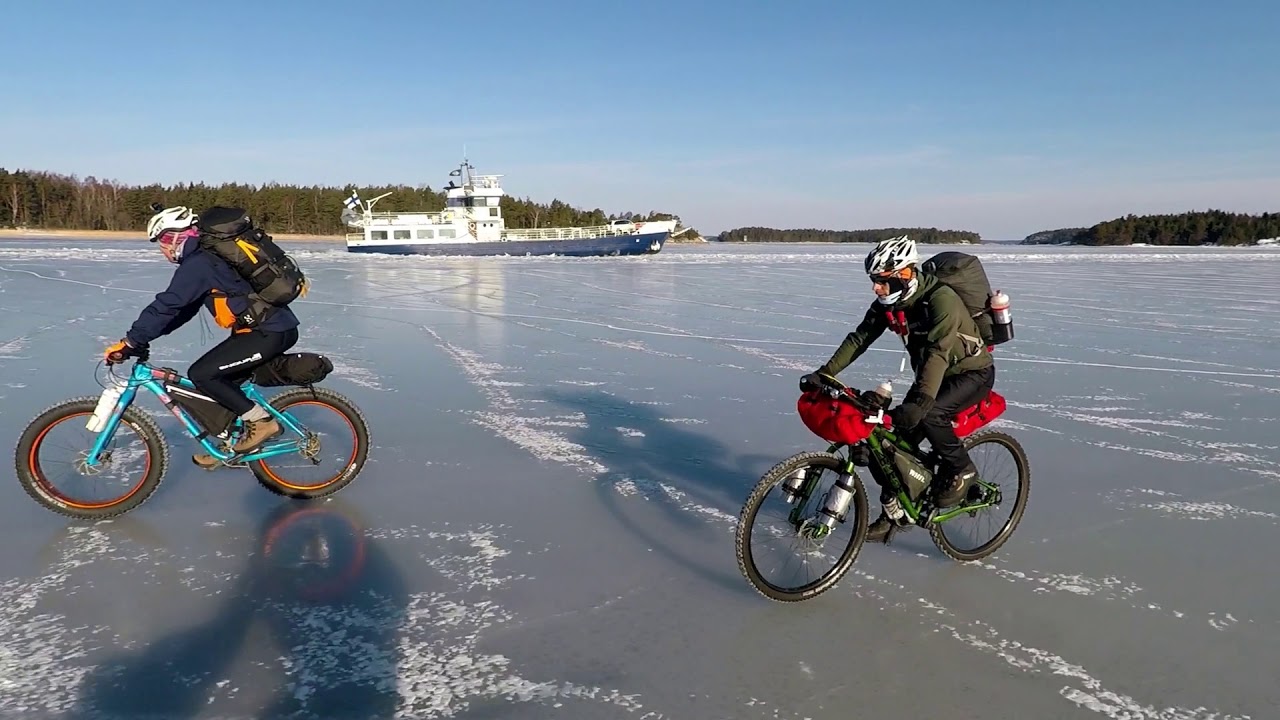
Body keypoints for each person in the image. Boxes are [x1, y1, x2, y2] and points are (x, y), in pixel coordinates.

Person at [801, 235, 995, 542]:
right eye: (874, 281)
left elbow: (938, 352)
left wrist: (920, 403)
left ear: (905, 274)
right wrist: (825, 374)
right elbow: (859, 338)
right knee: (889, 445)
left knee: (930, 417)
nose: (876, 288)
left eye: (882, 281)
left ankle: (962, 469)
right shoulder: (888, 304)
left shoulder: (941, 299)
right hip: (935, 375)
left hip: (971, 374)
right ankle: (894, 515)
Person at [103, 205, 301, 468]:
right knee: (223, 387)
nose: (162, 249)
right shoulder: (206, 259)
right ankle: (231, 447)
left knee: (203, 374)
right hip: (266, 330)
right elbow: (182, 310)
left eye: (162, 241)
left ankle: (263, 423)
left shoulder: (200, 263)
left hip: (269, 332)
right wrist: (144, 339)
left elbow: (168, 304)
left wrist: (131, 341)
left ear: (175, 237)